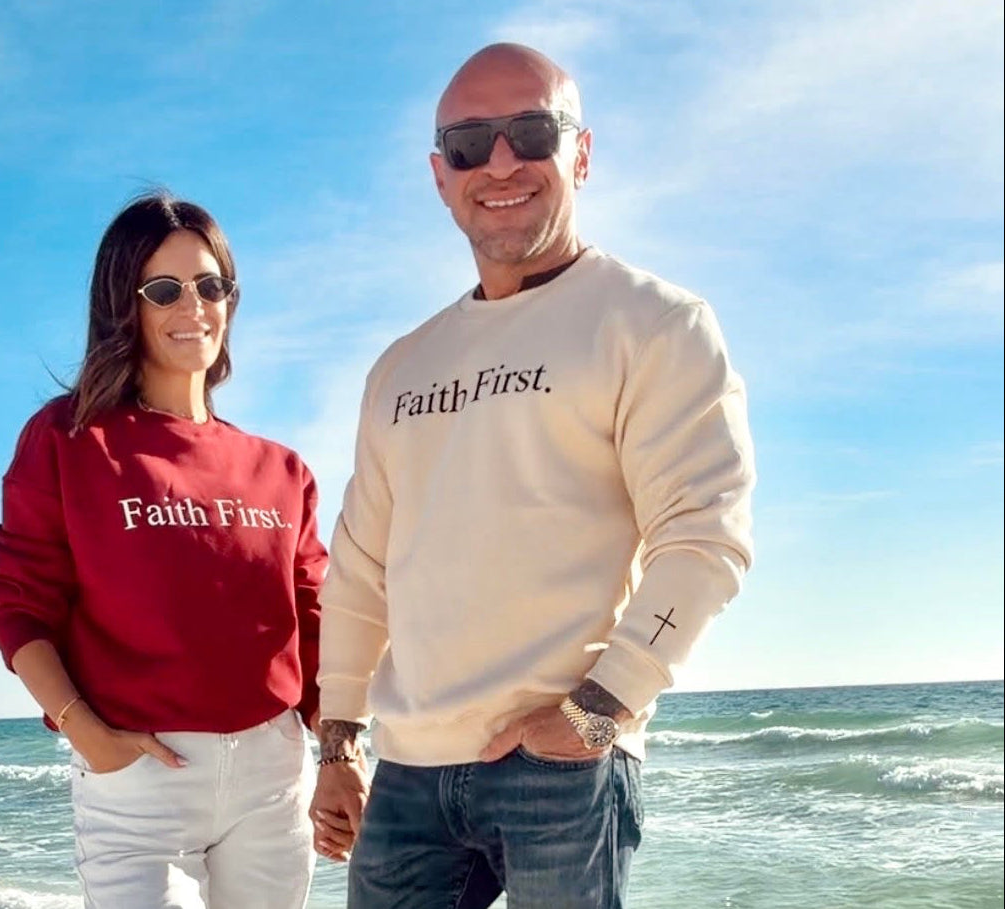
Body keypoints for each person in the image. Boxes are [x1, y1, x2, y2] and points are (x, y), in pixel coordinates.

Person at [309, 43, 756, 909]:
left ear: (580, 154)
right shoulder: (401, 365)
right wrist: (339, 743)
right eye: (470, 144)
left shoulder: (655, 323)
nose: (502, 162)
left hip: (563, 766)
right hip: (408, 772)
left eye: (532, 132)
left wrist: (601, 708)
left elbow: (705, 537)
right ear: (441, 176)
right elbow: (360, 570)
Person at [0, 191, 327, 909]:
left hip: (273, 779)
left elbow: (316, 622)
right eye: (163, 290)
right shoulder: (70, 438)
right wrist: (84, 731)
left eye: (210, 285)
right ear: (123, 306)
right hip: (139, 781)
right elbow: (17, 605)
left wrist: (346, 753)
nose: (192, 306)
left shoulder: (282, 469)